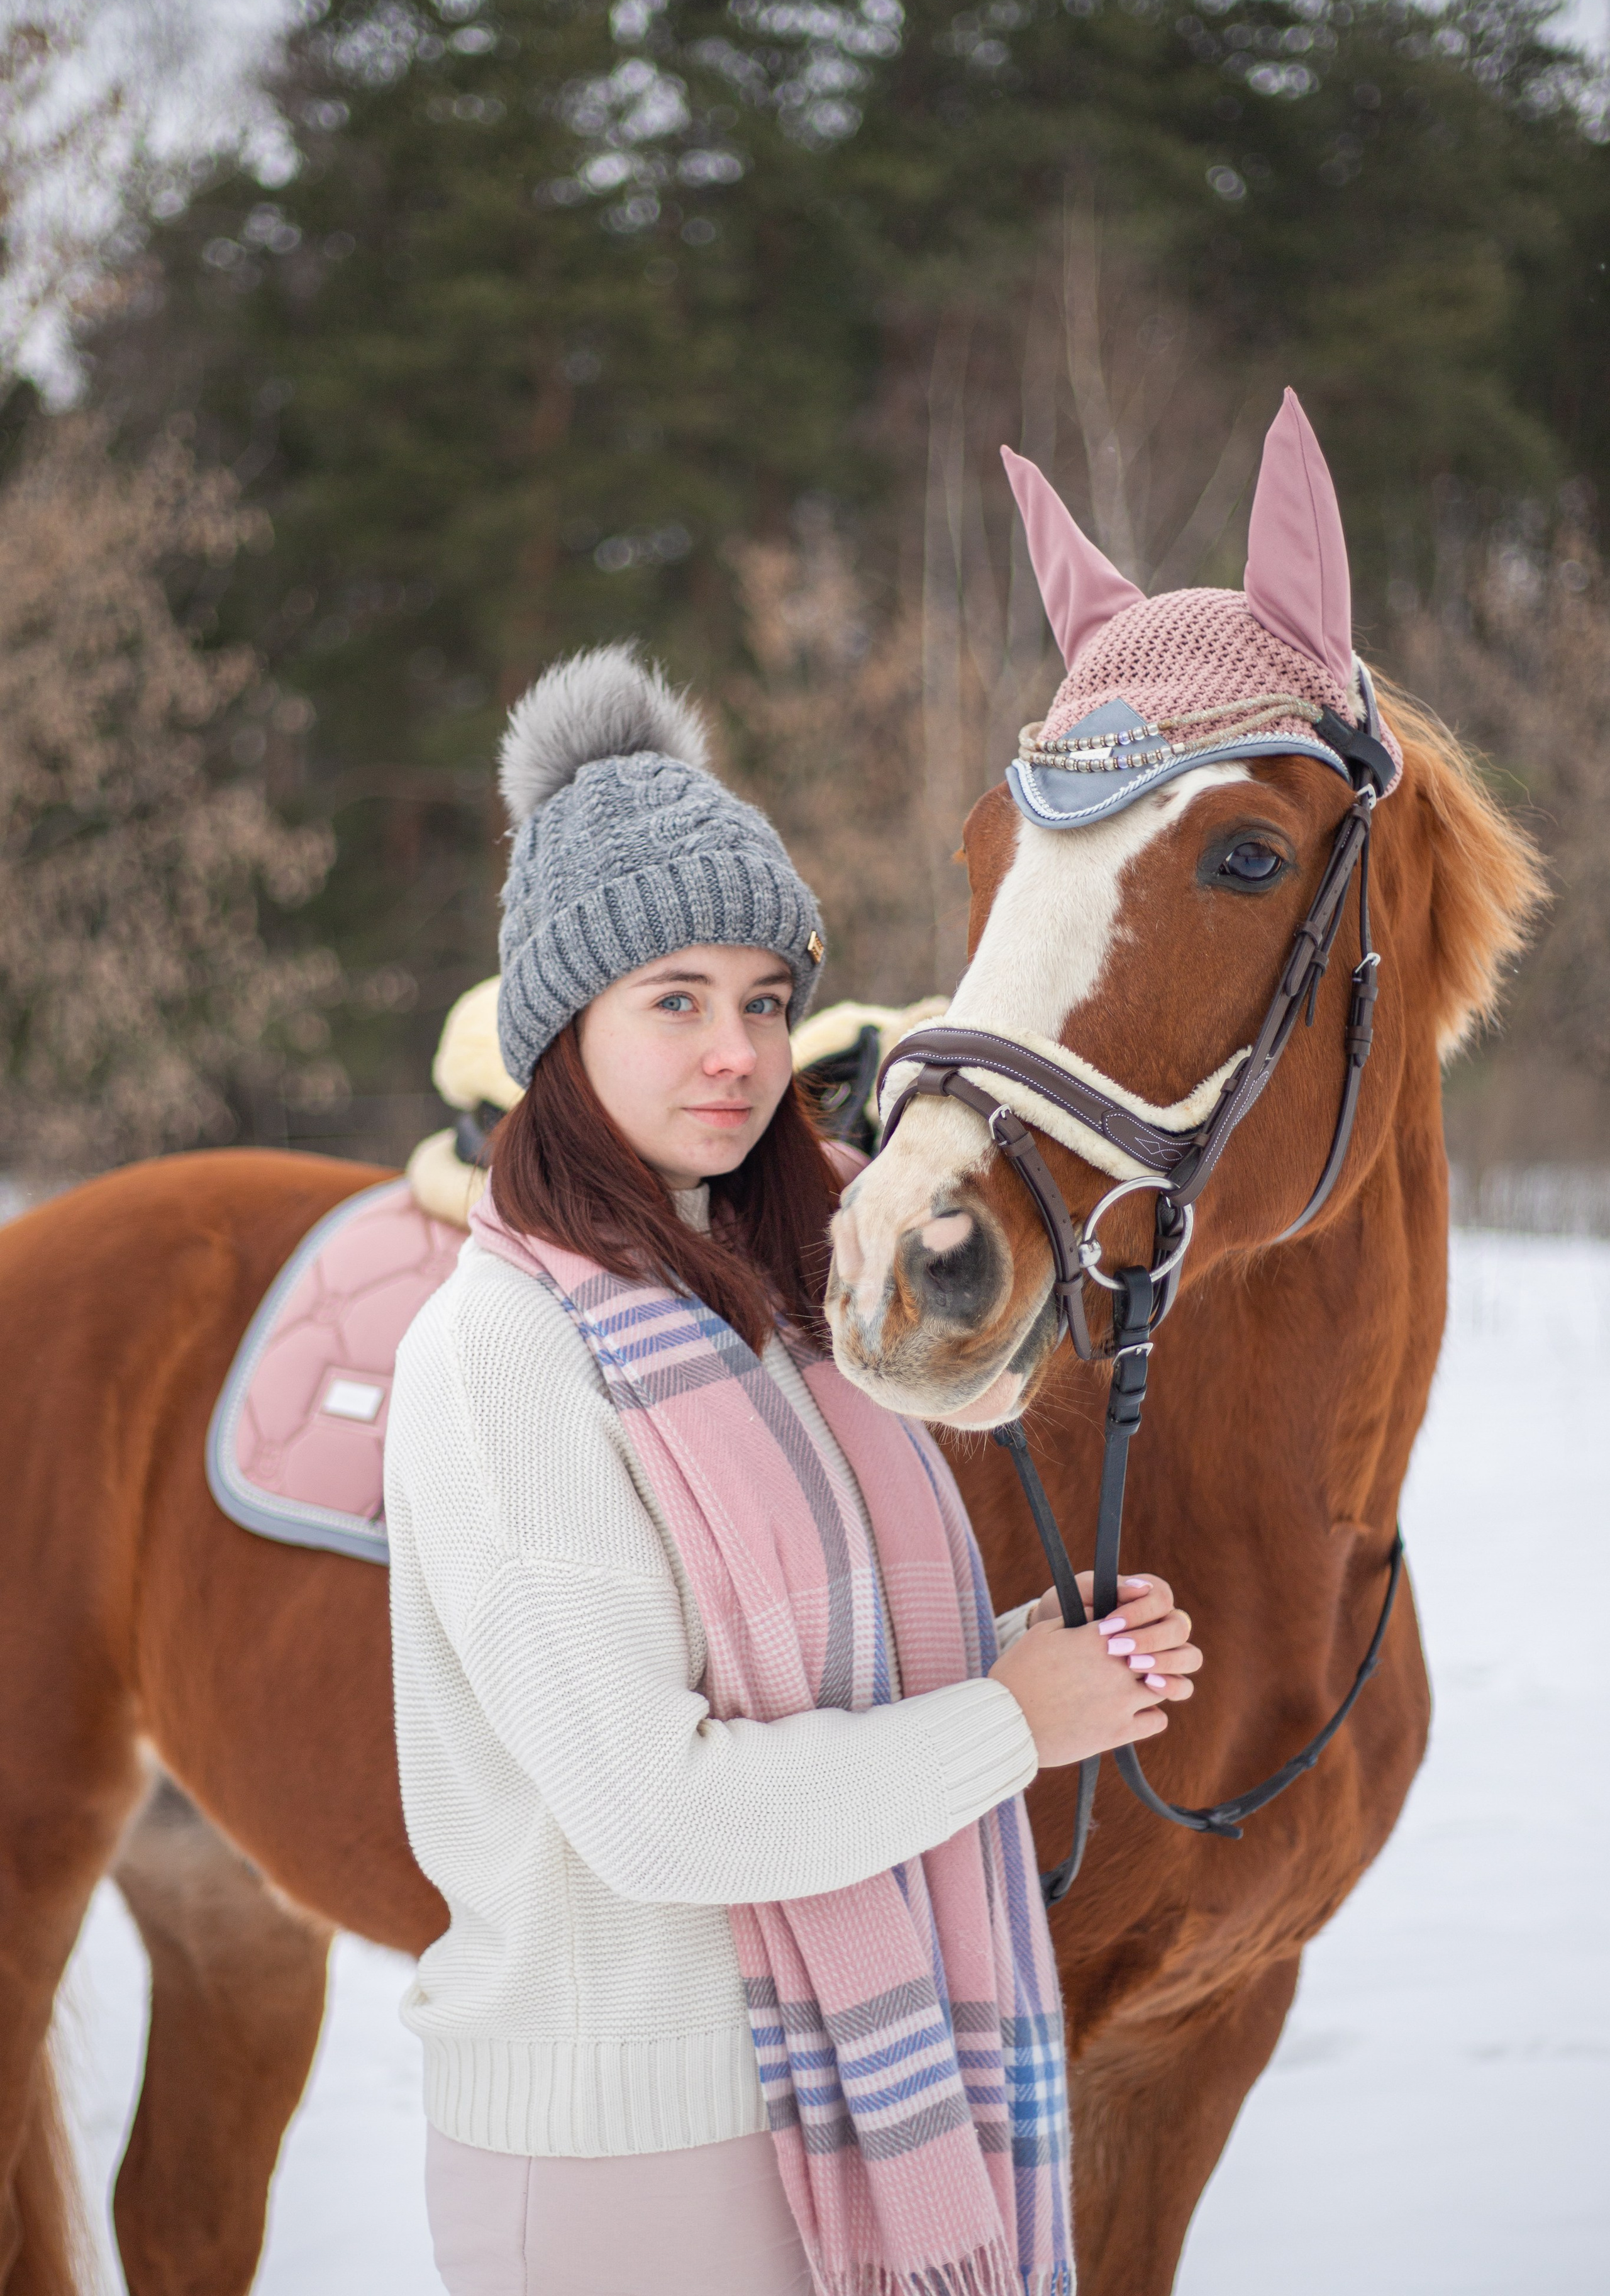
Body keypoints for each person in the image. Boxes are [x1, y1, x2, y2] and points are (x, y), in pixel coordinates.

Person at [384, 645, 1202, 2296]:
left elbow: (799, 1672)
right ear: (560, 1027)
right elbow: (658, 1812)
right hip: (628, 2161)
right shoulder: (505, 1354)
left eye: (765, 1000)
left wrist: (1022, 1657)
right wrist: (1009, 1725)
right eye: (674, 1000)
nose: (739, 1052)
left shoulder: (777, 1305)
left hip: (834, 2118)